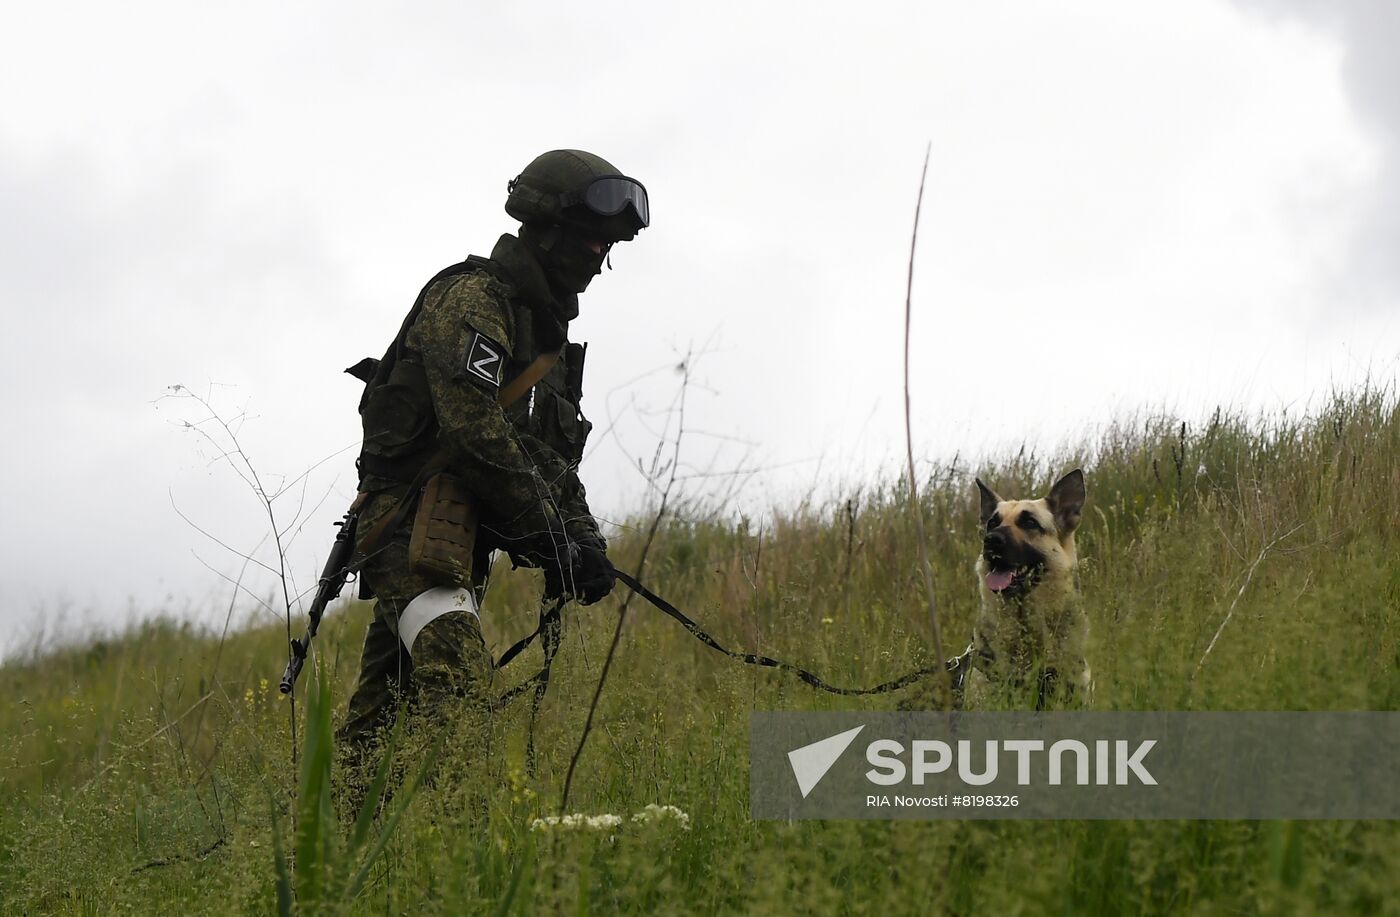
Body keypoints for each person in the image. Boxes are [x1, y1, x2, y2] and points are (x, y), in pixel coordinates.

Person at [337, 149, 650, 770]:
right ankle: (458, 849)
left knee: (378, 724)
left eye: (605, 246)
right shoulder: (475, 301)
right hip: (405, 531)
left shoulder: (546, 338)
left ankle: (337, 850)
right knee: (459, 687)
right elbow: (473, 428)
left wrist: (583, 543)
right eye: (588, 240)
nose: (597, 258)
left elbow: (549, 456)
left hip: (454, 542)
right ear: (546, 229)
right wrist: (548, 534)